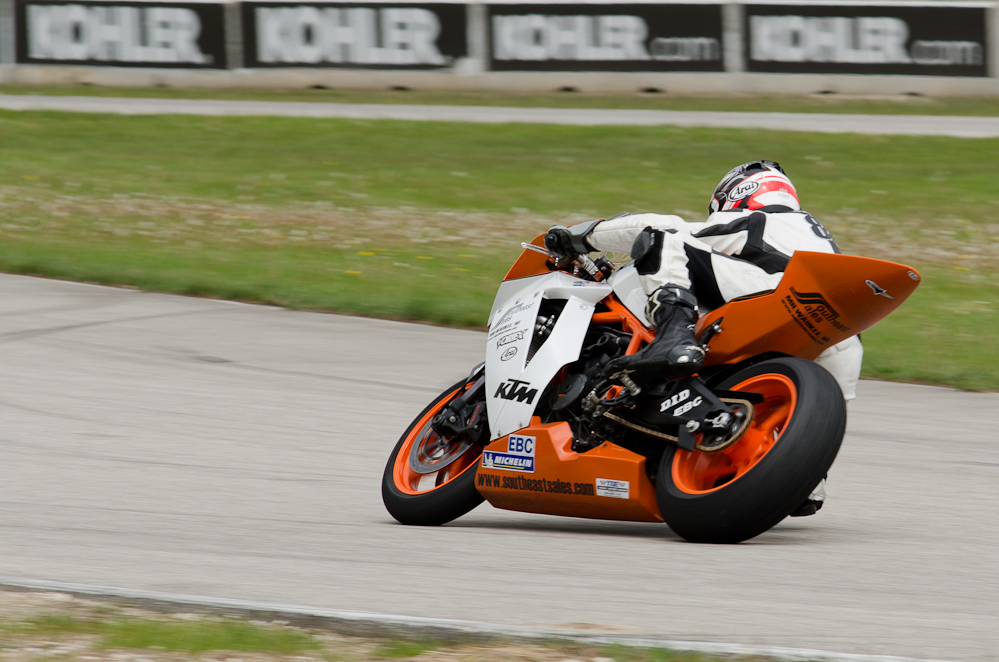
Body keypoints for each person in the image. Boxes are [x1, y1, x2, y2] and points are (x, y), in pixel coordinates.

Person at [545, 160, 861, 516]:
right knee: (824, 402)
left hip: (768, 289)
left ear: (737, 194)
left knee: (663, 240)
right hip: (837, 336)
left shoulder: (759, 219)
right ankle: (810, 479)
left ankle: (673, 337)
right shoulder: (814, 233)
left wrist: (578, 237)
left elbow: (658, 226)